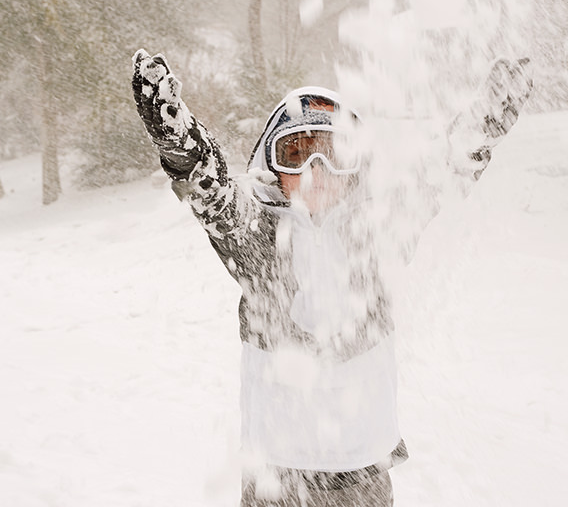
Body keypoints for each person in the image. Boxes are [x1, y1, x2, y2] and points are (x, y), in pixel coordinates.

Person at [131, 50, 532, 506]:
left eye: (332, 154)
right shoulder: (255, 233)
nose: (315, 172)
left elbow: (442, 173)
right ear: (273, 165)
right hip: (276, 477)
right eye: (295, 154)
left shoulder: (378, 232)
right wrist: (181, 147)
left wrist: (480, 126)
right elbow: (213, 191)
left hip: (362, 472)